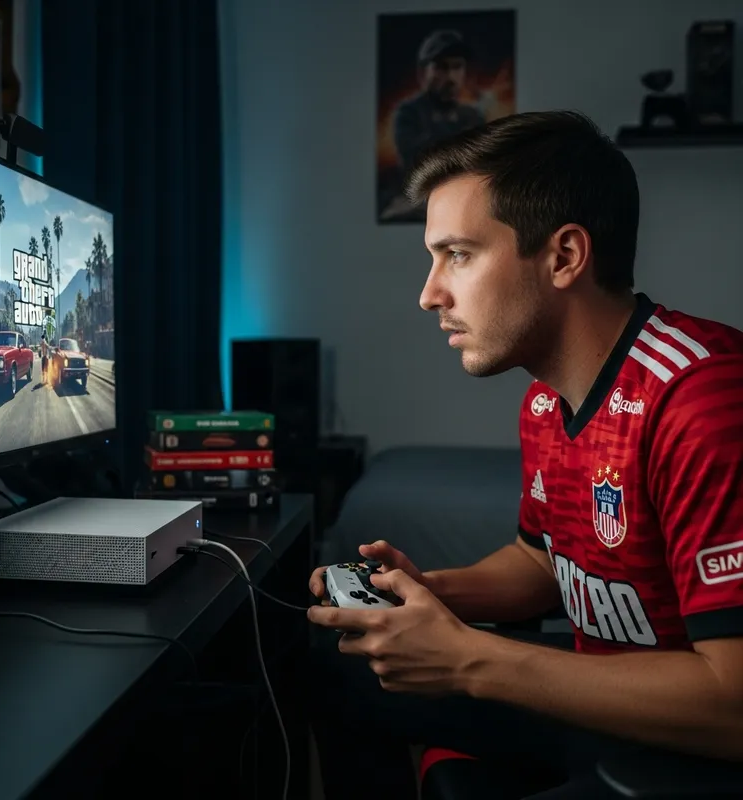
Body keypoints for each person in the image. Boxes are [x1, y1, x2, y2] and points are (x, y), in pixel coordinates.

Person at [307, 110, 743, 799]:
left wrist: (471, 659)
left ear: (565, 257)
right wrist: (426, 595)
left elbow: (735, 702)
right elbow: (546, 560)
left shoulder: (703, 400)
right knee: (336, 662)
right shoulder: (545, 402)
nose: (429, 294)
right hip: (602, 703)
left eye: (459, 255)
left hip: (697, 745)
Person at [392, 30, 485, 173]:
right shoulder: (408, 114)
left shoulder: (473, 116)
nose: (450, 76)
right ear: (423, 72)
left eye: (457, 66)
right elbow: (415, 162)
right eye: (442, 67)